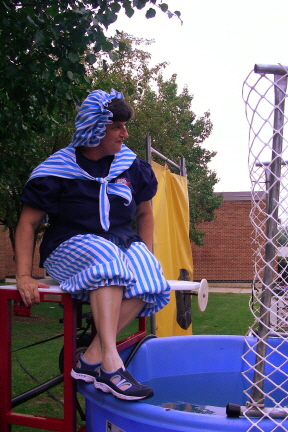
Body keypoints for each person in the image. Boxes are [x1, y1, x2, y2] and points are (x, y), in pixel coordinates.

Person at [15, 89, 170, 401]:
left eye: (125, 126)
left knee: (152, 279)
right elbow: (28, 223)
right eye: (117, 127)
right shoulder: (57, 169)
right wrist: (23, 275)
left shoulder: (133, 167)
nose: (125, 133)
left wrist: (146, 256)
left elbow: (144, 215)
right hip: (67, 247)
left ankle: (90, 360)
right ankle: (111, 367)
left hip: (121, 245)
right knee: (107, 256)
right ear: (95, 128)